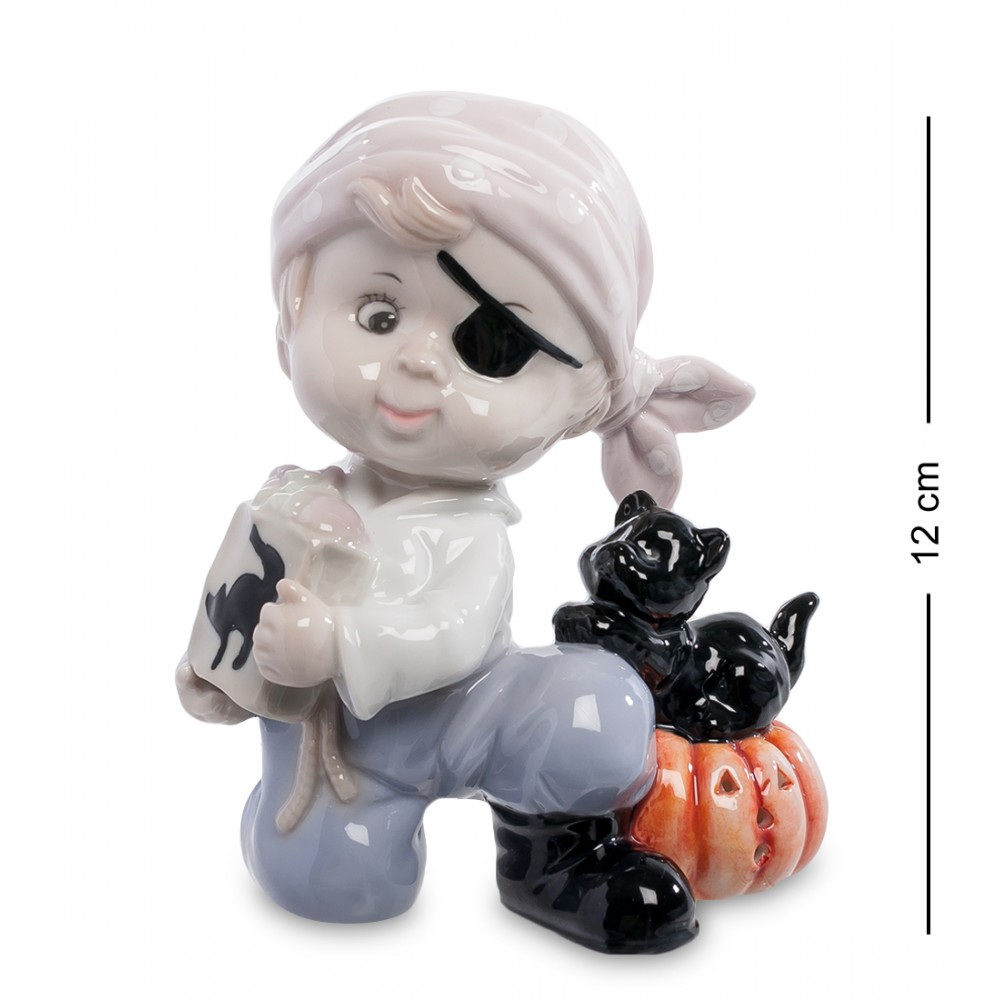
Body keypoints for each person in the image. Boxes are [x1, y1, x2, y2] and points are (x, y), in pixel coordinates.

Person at [177, 92, 754, 953]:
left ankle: (551, 858)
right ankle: (318, 820)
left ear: (577, 400)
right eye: (377, 315)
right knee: (337, 885)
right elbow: (236, 604)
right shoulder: (294, 503)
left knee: (599, 717)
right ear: (292, 314)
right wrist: (219, 678)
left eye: (491, 346)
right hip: (337, 748)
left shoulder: (470, 534)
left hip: (468, 715)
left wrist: (338, 643)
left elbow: (453, 632)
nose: (416, 361)